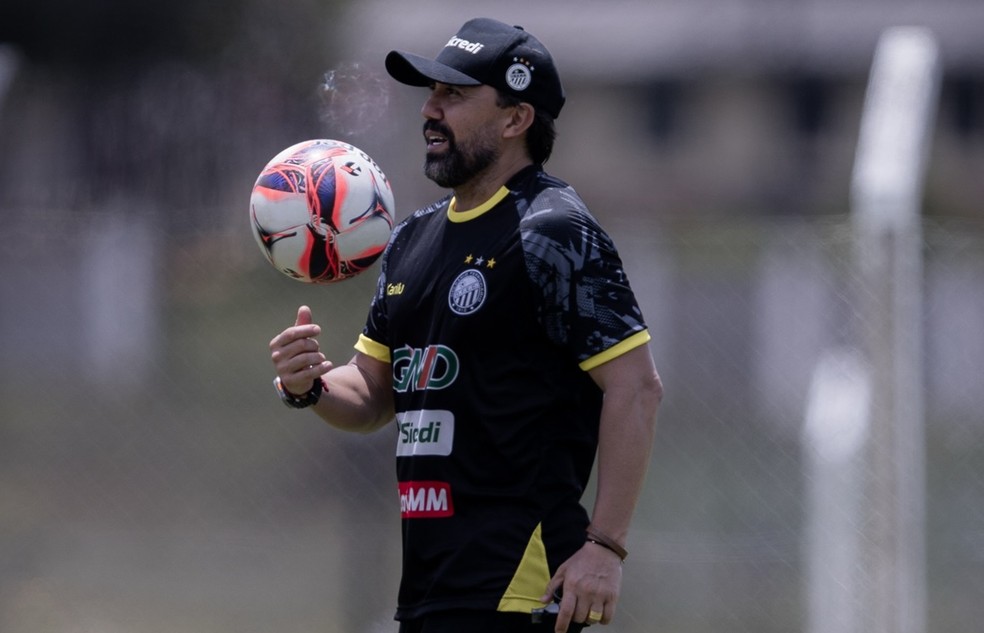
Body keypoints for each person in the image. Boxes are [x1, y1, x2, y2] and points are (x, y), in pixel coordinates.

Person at [269, 17, 663, 633]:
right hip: (430, 590)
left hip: (522, 586)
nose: (430, 109)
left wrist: (605, 547)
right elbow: (372, 395)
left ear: (515, 119)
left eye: (454, 95)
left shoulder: (553, 231)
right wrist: (311, 385)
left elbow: (636, 386)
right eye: (431, 93)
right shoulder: (410, 240)